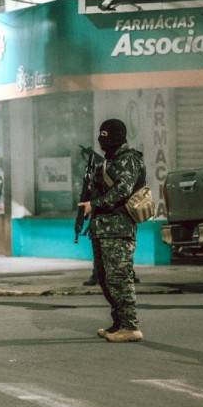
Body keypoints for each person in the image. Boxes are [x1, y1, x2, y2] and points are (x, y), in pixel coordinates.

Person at [78, 119, 145, 343]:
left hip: (119, 228)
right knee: (105, 279)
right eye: (101, 135)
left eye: (105, 136)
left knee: (119, 278)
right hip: (102, 228)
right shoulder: (109, 161)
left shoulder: (129, 159)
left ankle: (130, 326)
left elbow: (123, 190)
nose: (101, 140)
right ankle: (118, 323)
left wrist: (94, 204)